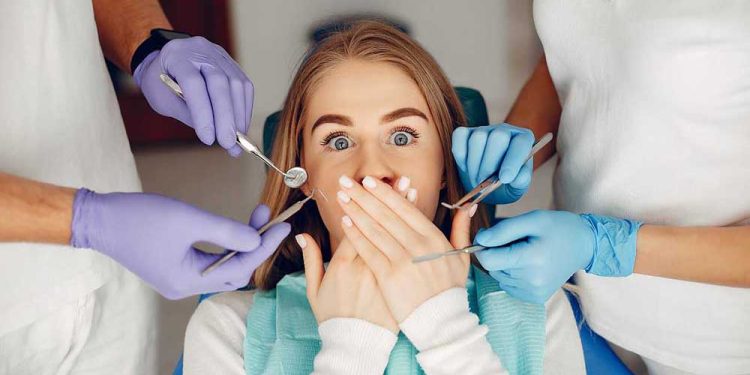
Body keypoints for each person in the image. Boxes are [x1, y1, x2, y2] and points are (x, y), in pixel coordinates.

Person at [183, 20, 585, 375]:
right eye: (339, 141)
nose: (373, 169)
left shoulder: (539, 309)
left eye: (402, 136)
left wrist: (447, 328)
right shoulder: (226, 328)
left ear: (445, 166)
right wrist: (347, 347)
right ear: (302, 177)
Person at [453, 1, 750, 373]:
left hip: (712, 349)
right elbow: (580, 51)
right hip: (579, 311)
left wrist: (609, 246)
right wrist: (520, 147)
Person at [0, 1, 289, 374]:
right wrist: (84, 220)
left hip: (112, 268)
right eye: (339, 141)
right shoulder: (225, 329)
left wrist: (150, 43)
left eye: (394, 136)